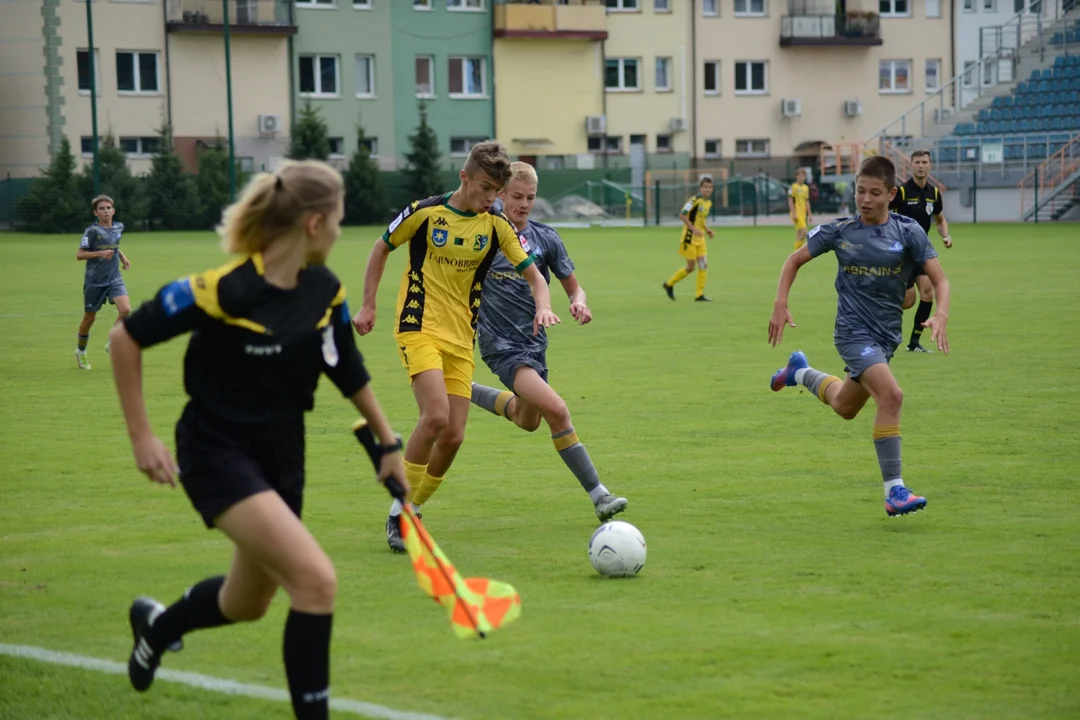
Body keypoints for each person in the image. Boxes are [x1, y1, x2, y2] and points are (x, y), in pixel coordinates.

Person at [109, 160, 406, 720]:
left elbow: (347, 369)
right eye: (340, 220)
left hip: (282, 457)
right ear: (315, 222)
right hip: (216, 451)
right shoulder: (224, 289)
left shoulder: (325, 290)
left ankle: (157, 625)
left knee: (247, 603)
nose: (342, 231)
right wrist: (141, 436)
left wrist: (389, 446)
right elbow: (124, 336)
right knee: (316, 582)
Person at [352, 141, 559, 552]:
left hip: (461, 337)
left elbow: (535, 276)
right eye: (485, 188)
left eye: (496, 192)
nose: (490, 198)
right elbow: (381, 248)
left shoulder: (496, 227)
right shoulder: (424, 212)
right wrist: (368, 304)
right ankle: (400, 512)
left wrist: (544, 304)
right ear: (464, 177)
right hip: (418, 326)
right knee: (435, 418)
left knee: (454, 437)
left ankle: (411, 506)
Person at [767, 156, 951, 518]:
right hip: (852, 333)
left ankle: (799, 371)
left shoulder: (909, 232)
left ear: (891, 194)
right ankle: (894, 490)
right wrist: (780, 303)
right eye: (860, 191)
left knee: (845, 406)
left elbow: (940, 280)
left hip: (885, 339)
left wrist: (940, 314)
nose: (865, 199)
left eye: (875, 193)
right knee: (892, 395)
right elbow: (793, 261)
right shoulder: (840, 230)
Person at [470, 162, 628, 522]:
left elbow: (574, 286)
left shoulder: (546, 238)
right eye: (516, 196)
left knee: (528, 419)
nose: (523, 204)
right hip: (501, 346)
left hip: (535, 348)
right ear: (501, 195)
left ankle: (463, 389)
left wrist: (579, 302)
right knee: (557, 410)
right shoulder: (486, 234)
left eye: (530, 197)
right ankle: (600, 495)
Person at [888, 149, 953, 353]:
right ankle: (879, 312)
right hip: (903, 253)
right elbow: (884, 214)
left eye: (924, 162)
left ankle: (914, 342)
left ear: (930, 165)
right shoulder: (902, 192)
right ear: (911, 165)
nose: (921, 166)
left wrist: (945, 235)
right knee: (908, 301)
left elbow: (940, 219)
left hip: (922, 251)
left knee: (928, 292)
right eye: (917, 162)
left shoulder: (934, 194)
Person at [75, 195, 131, 370]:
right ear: (96, 212)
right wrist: (99, 254)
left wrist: (121, 256)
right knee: (89, 318)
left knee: (126, 309)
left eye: (108, 208)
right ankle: (81, 352)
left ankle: (112, 343)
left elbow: (114, 244)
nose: (106, 211)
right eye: (102, 209)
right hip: (95, 280)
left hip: (114, 277)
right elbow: (80, 254)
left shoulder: (119, 227)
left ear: (113, 210)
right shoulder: (92, 231)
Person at [662, 176, 715, 302]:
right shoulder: (694, 200)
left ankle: (699, 294)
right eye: (705, 187)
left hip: (700, 238)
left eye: (710, 187)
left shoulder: (708, 203)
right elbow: (682, 215)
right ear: (700, 188)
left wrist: (707, 230)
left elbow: (701, 219)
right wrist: (693, 229)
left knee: (703, 265)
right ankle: (669, 284)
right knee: (690, 267)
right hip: (689, 237)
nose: (707, 190)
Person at [788, 169, 812, 250]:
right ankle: (796, 253)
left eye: (803, 176)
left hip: (803, 214)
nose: (802, 178)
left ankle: (796, 252)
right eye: (800, 176)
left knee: (799, 234)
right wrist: (794, 213)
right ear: (797, 176)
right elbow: (790, 200)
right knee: (804, 231)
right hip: (796, 213)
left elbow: (807, 201)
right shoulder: (794, 186)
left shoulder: (806, 188)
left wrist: (809, 214)